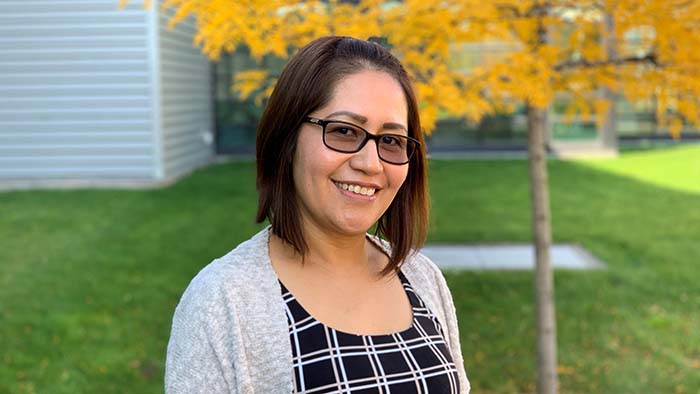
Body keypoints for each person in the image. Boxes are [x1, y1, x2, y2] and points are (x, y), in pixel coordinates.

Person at [165, 36, 470, 394]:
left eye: (390, 140)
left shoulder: (421, 276)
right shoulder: (223, 300)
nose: (370, 164)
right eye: (343, 131)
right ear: (287, 140)